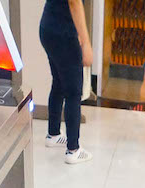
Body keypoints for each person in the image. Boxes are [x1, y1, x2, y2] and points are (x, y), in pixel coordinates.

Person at [40, 0, 94, 164]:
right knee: (73, 91)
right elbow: (74, 2)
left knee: (58, 82)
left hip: (49, 27)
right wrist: (86, 43)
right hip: (63, 34)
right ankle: (73, 150)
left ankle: (53, 134)